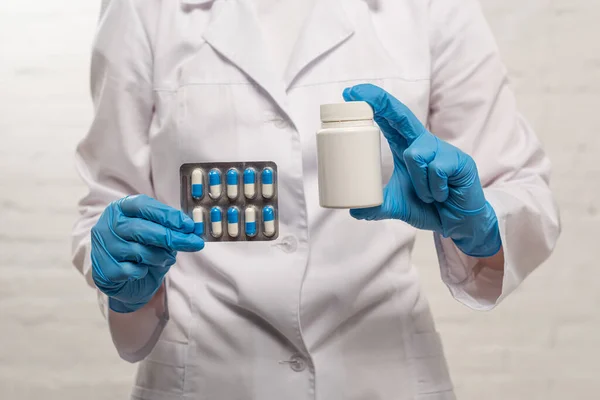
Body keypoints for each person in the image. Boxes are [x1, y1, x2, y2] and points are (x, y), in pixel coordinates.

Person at [71, 0, 560, 398]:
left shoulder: (428, 8)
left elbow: (521, 184)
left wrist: (480, 227)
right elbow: (109, 197)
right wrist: (120, 272)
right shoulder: (143, 9)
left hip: (382, 371)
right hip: (206, 371)